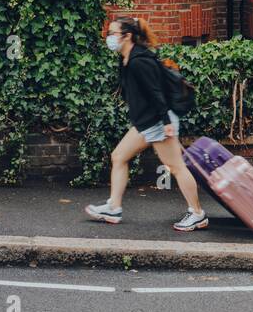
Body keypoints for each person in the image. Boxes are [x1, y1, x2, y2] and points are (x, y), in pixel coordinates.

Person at [85, 14, 207, 232]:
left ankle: (197, 214)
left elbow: (155, 92)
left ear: (127, 36)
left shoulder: (139, 61)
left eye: (112, 33)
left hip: (158, 122)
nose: (109, 37)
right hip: (145, 122)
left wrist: (166, 122)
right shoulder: (127, 58)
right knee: (119, 156)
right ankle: (113, 207)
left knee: (176, 167)